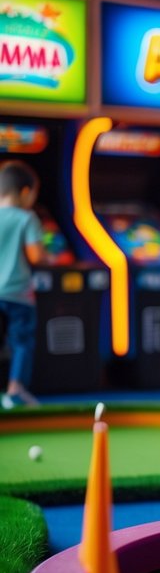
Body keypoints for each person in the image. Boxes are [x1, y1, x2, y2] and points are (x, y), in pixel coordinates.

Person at [0, 160, 44, 410]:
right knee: (21, 343)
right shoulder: (27, 218)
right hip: (19, 295)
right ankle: (15, 391)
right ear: (25, 192)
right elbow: (36, 256)